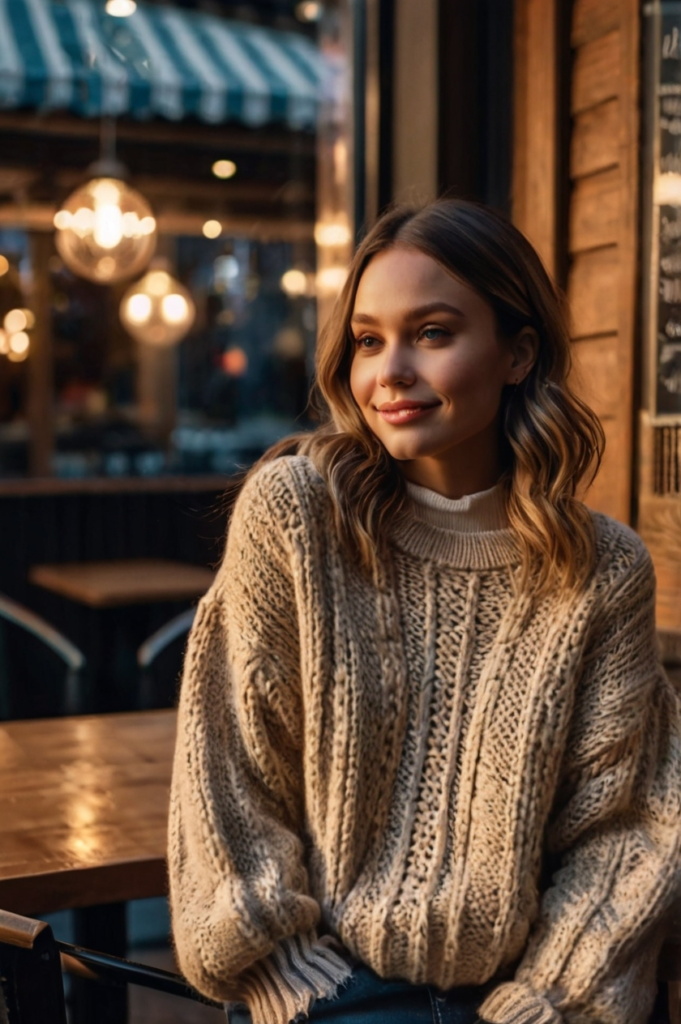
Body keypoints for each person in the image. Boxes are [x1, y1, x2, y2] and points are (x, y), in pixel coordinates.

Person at [168, 200, 681, 1024]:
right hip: (331, 993)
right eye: (368, 340)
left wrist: (551, 1001)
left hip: (515, 997)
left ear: (517, 353)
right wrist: (285, 974)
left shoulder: (602, 568)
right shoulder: (296, 514)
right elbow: (229, 764)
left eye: (432, 333)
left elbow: (619, 830)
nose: (388, 372)